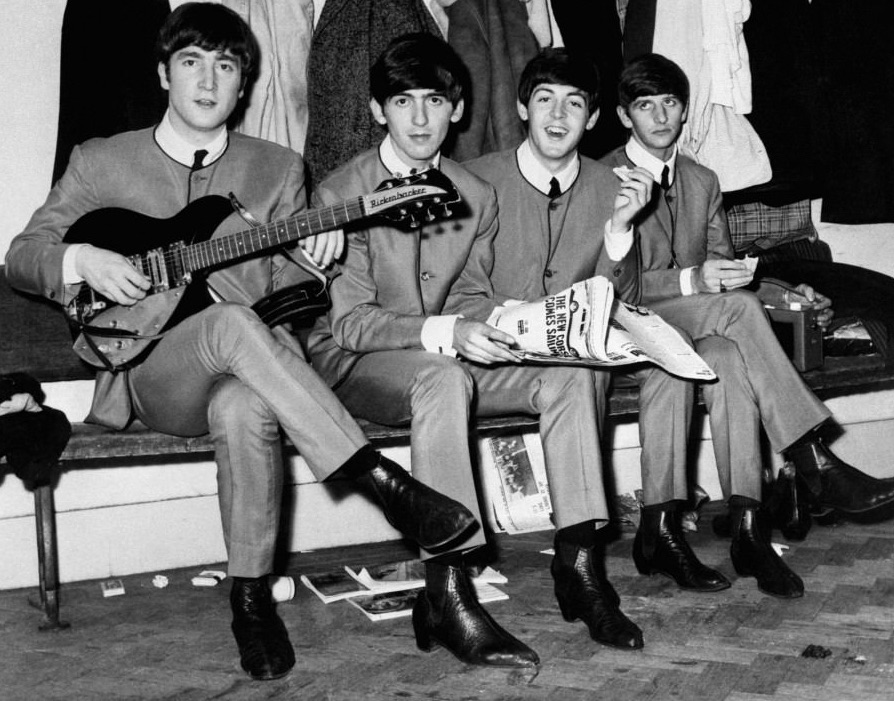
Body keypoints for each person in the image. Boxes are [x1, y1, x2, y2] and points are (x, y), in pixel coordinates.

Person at [5, 3, 481, 682]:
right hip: (149, 372)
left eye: (225, 66)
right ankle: (382, 481)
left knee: (244, 403)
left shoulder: (277, 168)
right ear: (163, 74)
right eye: (191, 62)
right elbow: (23, 257)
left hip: (244, 370)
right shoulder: (101, 160)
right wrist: (82, 260)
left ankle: (251, 601)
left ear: (244, 82)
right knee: (229, 326)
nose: (208, 81)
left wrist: (315, 260)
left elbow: (289, 296)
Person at [307, 33, 645, 664]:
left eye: (434, 101)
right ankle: (449, 590)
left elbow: (470, 295)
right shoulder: (340, 194)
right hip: (359, 366)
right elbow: (350, 324)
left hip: (447, 361)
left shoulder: (474, 192)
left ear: (457, 109)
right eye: (402, 102)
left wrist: (522, 325)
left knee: (570, 374)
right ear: (377, 110)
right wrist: (448, 333)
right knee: (442, 377)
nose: (419, 119)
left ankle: (579, 568)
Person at [600, 53, 894, 597]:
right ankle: (812, 459)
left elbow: (727, 272)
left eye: (670, 103)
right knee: (735, 313)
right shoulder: (602, 178)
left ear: (685, 110)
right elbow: (607, 285)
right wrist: (691, 279)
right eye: (645, 105)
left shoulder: (702, 179)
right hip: (628, 321)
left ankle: (745, 530)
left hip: (699, 325)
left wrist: (785, 294)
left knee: (729, 357)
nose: (660, 116)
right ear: (624, 116)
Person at [465, 48, 734, 607]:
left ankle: (662, 528)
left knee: (671, 360)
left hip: (585, 342)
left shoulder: (611, 183)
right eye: (545, 100)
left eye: (574, 104)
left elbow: (627, 299)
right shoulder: (478, 180)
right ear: (522, 108)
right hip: (502, 352)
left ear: (591, 119)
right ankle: (581, 562)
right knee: (577, 376)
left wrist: (619, 230)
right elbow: (457, 288)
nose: (557, 115)